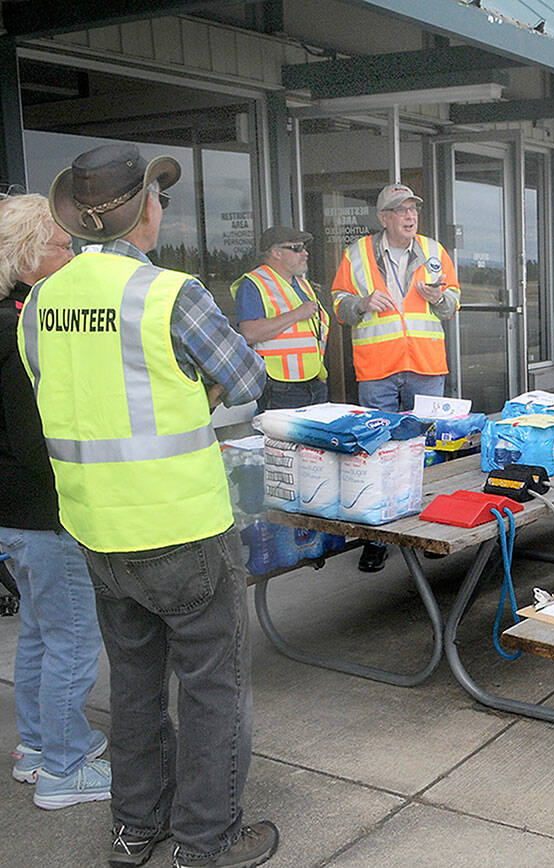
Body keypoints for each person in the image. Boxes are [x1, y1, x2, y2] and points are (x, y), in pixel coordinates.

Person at [20, 144, 277, 867]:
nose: (162, 208)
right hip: (183, 526)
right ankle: (205, 844)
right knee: (212, 692)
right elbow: (248, 376)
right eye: (158, 198)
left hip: (96, 530)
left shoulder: (45, 298)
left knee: (134, 690)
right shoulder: (171, 293)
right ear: (143, 213)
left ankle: (135, 833)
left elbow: (62, 387)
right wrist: (196, 396)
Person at [0, 192, 109, 810]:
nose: (73, 253)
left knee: (42, 631)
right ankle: (64, 774)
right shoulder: (19, 325)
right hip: (42, 508)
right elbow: (31, 432)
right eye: (62, 244)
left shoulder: (12, 312)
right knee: (72, 635)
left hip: (12, 512)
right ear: (26, 252)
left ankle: (40, 746)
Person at [331, 183, 459, 573]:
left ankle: (433, 529)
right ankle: (376, 539)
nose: (410, 216)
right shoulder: (356, 255)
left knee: (430, 451)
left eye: (413, 210)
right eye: (400, 210)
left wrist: (439, 298)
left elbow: (453, 304)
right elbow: (337, 305)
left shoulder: (434, 252)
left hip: (425, 367)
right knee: (376, 455)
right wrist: (361, 303)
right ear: (383, 218)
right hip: (378, 369)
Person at [231, 226, 330, 412]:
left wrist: (320, 373)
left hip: (314, 381)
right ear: (276, 253)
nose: (305, 253)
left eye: (304, 247)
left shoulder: (302, 284)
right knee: (279, 441)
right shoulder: (254, 284)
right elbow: (250, 333)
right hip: (279, 386)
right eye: (297, 248)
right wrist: (296, 315)